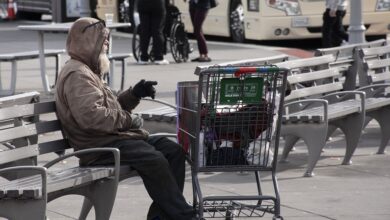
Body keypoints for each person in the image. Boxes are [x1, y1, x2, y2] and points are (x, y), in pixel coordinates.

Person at [55, 17, 197, 220]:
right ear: (87, 42)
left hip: (112, 138)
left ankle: (162, 217)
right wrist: (128, 120)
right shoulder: (77, 74)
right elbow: (92, 118)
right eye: (103, 40)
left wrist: (135, 94)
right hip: (97, 147)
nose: (106, 44)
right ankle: (185, 215)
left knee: (172, 150)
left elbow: (109, 106)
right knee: (153, 158)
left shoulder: (87, 70)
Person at [138, 0, 169, 65]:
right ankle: (158, 57)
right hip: (157, 5)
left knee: (144, 31)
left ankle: (143, 58)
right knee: (157, 31)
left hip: (143, 5)